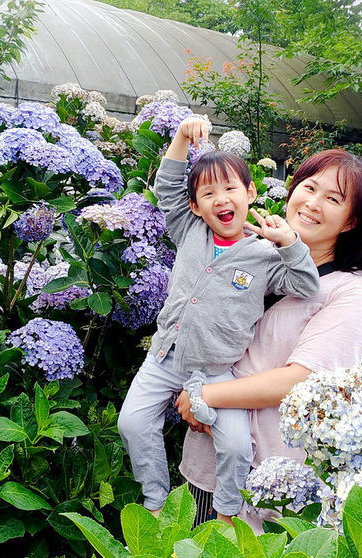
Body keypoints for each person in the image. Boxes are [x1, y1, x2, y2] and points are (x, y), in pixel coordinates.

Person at [176, 148, 362, 529]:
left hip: (268, 480)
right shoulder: (255, 254)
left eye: (333, 198)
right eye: (309, 188)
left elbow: (304, 378)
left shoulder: (350, 290)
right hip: (208, 459)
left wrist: (202, 395)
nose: (312, 203)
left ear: (351, 221)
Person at [117, 117, 321, 523]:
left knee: (235, 447)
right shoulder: (189, 229)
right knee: (132, 423)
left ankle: (227, 513)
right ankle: (156, 500)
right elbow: (167, 190)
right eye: (207, 193)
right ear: (195, 206)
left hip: (216, 372)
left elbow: (306, 284)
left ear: (250, 193)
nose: (220, 199)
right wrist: (180, 137)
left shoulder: (264, 256)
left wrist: (290, 243)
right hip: (164, 357)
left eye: (230, 189)